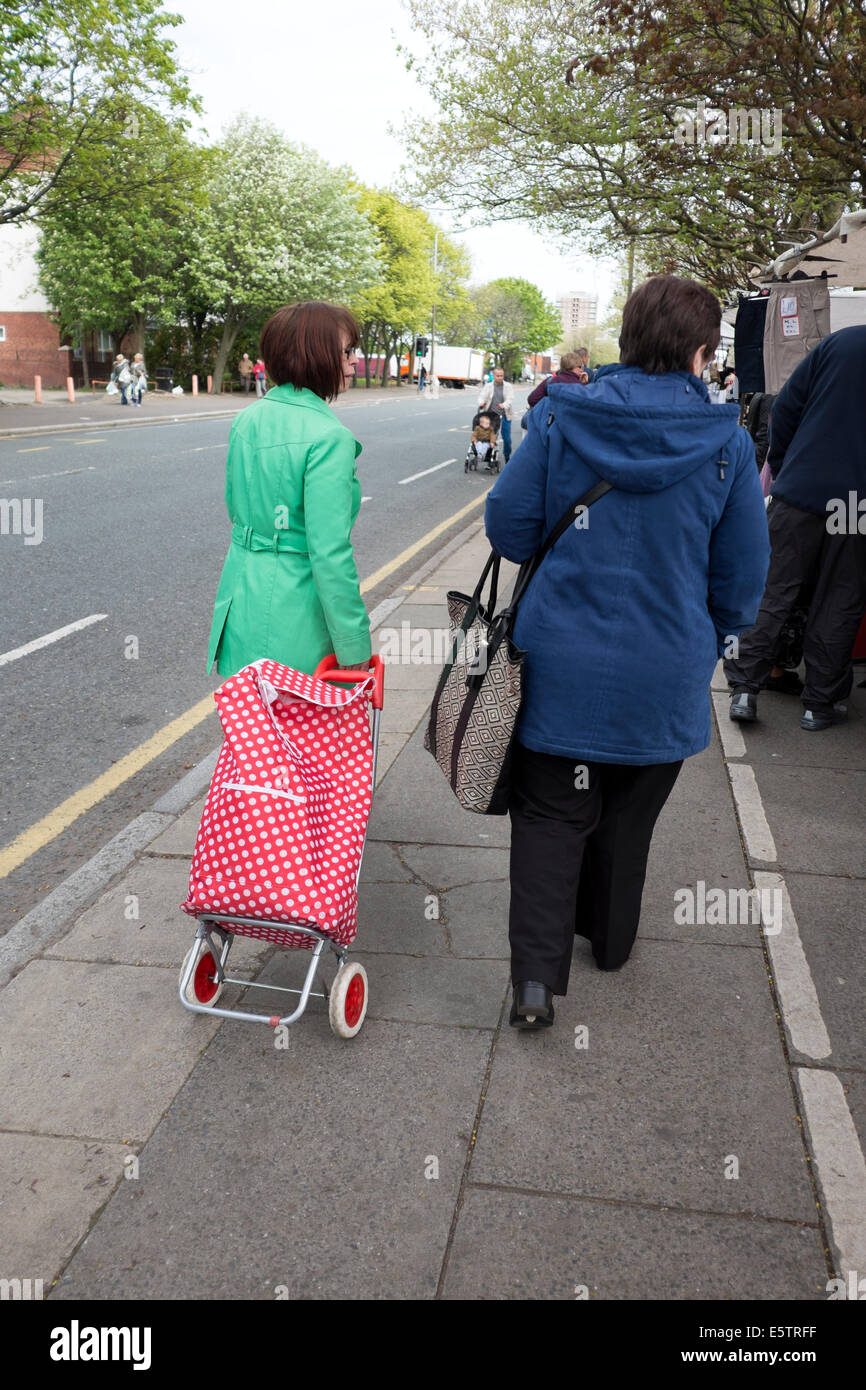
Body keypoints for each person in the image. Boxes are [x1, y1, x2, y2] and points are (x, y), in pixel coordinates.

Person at [484, 274, 769, 1031]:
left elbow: (512, 531)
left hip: (556, 668)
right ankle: (609, 946)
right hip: (665, 669)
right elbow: (742, 580)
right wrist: (712, 634)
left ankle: (535, 987)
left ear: (629, 340)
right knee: (628, 816)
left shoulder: (558, 420)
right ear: (703, 352)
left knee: (550, 816)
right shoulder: (728, 445)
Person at [207, 302, 372, 678]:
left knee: (250, 733)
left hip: (242, 601)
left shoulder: (247, 419)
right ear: (315, 355)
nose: (354, 362)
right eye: (347, 351)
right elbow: (330, 553)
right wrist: (353, 641)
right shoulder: (330, 437)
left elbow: (237, 509)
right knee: (306, 736)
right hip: (295, 620)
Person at [725, 324, 866, 731]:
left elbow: (783, 408)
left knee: (773, 588)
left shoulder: (842, 342)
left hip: (802, 488)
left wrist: (785, 464)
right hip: (856, 503)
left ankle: (745, 688)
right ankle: (818, 704)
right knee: (840, 599)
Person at [477, 366, 515, 462]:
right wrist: (481, 403)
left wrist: (504, 405)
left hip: (505, 415)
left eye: (501, 375)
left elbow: (510, 399)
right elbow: (482, 397)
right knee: (491, 437)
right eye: (497, 376)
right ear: (493, 376)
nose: (500, 377)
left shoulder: (508, 386)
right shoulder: (488, 386)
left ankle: (507, 456)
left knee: (507, 439)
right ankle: (489, 457)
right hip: (491, 416)